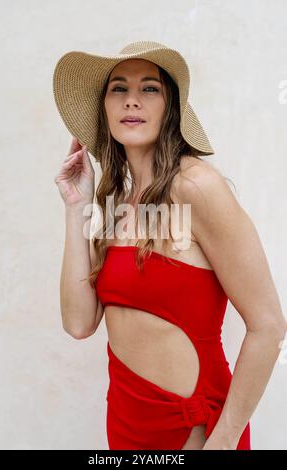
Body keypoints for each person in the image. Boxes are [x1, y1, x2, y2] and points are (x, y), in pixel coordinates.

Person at [53, 41, 287, 450]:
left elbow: (268, 327)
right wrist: (77, 206)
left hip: (195, 433)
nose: (131, 101)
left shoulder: (196, 187)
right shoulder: (117, 205)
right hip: (125, 428)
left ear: (170, 108)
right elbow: (79, 323)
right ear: (105, 108)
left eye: (149, 89)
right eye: (118, 89)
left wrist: (225, 439)